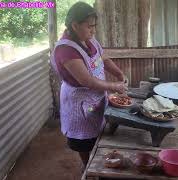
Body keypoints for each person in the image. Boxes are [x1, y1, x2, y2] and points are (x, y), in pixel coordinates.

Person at [50, 1, 128, 170]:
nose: (93, 30)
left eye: (94, 26)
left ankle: (98, 161)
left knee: (98, 131)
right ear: (75, 25)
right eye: (89, 26)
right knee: (84, 140)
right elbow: (88, 81)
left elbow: (103, 58)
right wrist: (114, 86)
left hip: (95, 98)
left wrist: (119, 73)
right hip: (79, 102)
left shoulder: (89, 40)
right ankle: (88, 168)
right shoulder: (66, 50)